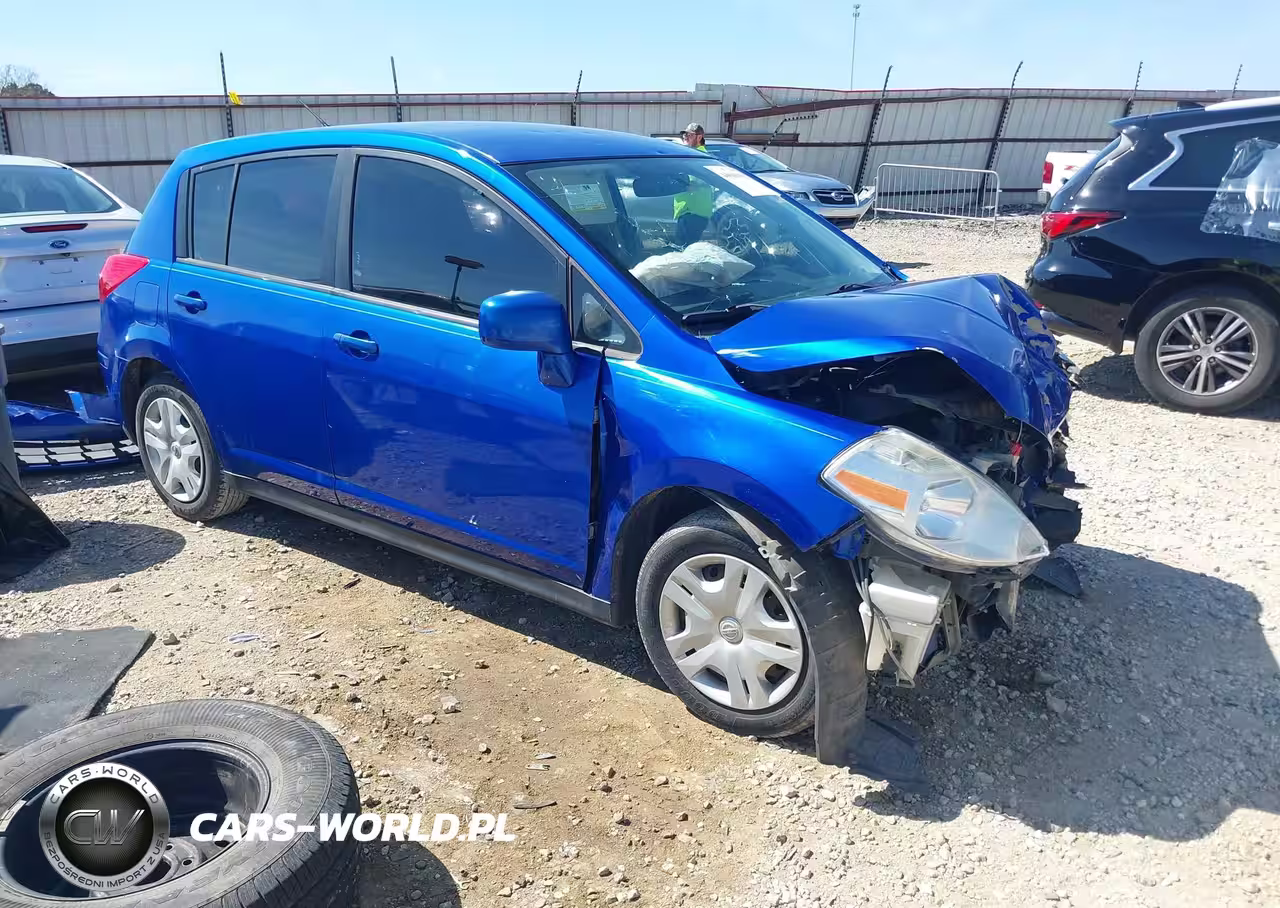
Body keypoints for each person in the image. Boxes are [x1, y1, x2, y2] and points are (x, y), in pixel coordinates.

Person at [674, 122, 715, 246]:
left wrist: (688, 186)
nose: (685, 137)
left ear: (699, 137)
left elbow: (703, 182)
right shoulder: (687, 154)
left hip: (694, 212)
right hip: (685, 210)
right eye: (684, 135)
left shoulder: (701, 157)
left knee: (685, 249)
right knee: (684, 249)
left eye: (689, 135)